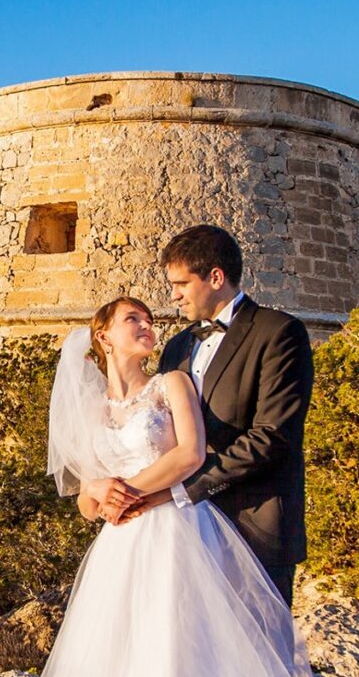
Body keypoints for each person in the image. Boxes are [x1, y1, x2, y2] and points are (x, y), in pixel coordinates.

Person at [0, 293, 348, 677]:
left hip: (178, 534)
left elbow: (192, 454)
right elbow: (83, 498)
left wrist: (129, 489)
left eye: (151, 317)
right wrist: (102, 492)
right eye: (133, 319)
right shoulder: (95, 410)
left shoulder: (172, 383)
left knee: (190, 672)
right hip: (121, 548)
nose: (150, 325)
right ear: (102, 336)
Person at [92, 225, 313, 605]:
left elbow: (272, 437)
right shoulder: (178, 346)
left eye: (180, 284)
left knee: (262, 655)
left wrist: (175, 492)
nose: (173, 296)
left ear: (215, 277)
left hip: (254, 523)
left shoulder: (278, 332)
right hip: (183, 534)